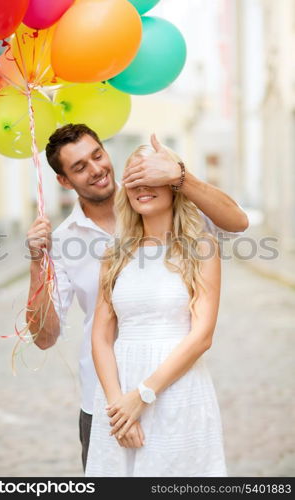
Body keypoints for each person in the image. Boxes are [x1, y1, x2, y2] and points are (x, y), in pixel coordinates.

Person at [26, 123, 248, 472]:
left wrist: (179, 176)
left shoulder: (185, 227)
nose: (96, 168)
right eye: (80, 166)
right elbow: (44, 337)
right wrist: (38, 262)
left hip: (175, 390)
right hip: (105, 400)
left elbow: (238, 221)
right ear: (65, 181)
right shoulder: (79, 244)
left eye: (97, 155)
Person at [85, 144, 227, 477]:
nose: (142, 187)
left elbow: (202, 335)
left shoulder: (201, 248)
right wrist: (118, 406)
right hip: (119, 395)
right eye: (134, 179)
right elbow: (101, 338)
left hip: (177, 390)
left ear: (172, 184)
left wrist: (144, 394)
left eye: (151, 176)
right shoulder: (113, 254)